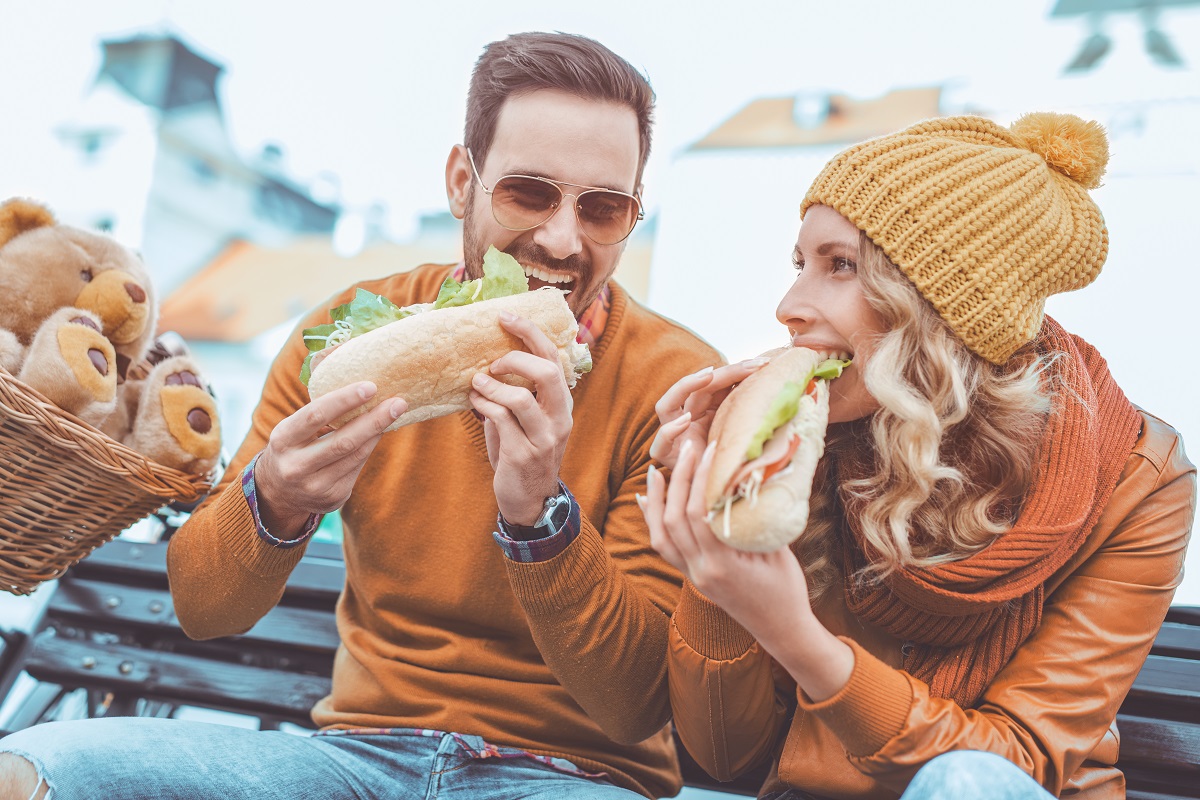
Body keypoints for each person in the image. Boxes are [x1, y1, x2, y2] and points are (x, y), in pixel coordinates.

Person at [0, 31, 729, 800]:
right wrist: (277, 499)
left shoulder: (675, 383)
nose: (560, 237)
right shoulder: (348, 334)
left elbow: (634, 706)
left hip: (576, 776)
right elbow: (203, 607)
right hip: (356, 760)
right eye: (529, 193)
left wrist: (539, 515)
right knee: (36, 773)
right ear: (461, 183)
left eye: (604, 209)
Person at [641, 112, 1195, 799]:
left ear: (939, 309)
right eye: (799, 263)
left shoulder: (1138, 480)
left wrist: (797, 638)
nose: (788, 305)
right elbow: (725, 757)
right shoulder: (810, 445)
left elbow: (1010, 764)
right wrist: (719, 546)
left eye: (840, 265)